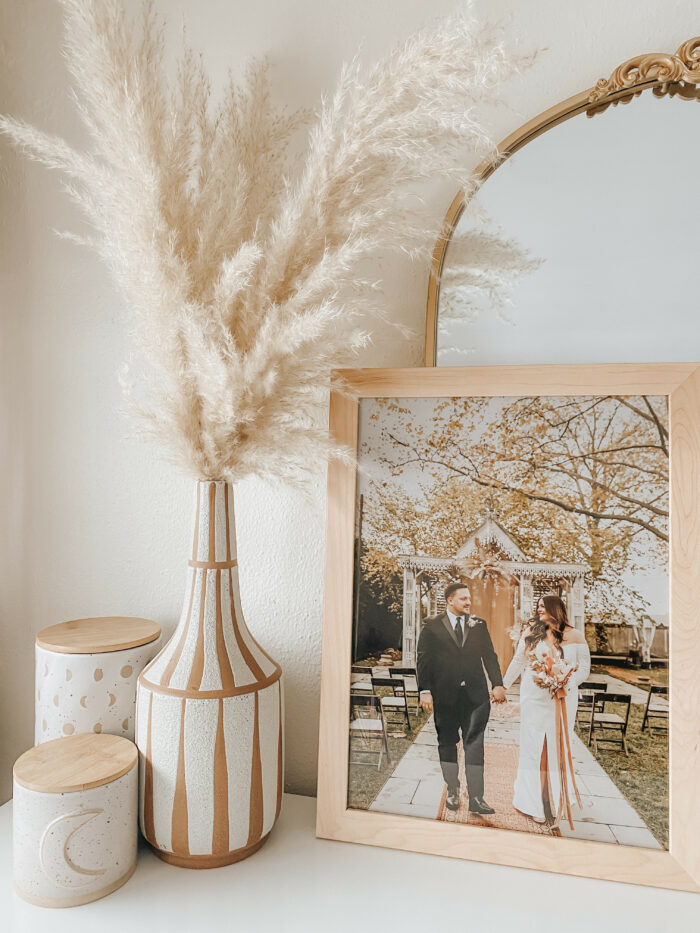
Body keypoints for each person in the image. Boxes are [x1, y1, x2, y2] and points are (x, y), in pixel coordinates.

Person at [417, 582, 506, 815]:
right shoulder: (431, 626)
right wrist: (424, 690)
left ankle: (477, 797)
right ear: (450, 600)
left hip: (475, 698)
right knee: (447, 743)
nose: (469, 602)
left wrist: (497, 683)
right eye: (463, 598)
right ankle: (453, 790)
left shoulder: (479, 625)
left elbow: (490, 656)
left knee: (475, 746)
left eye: (469, 598)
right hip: (445, 697)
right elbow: (423, 660)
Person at [503, 595, 590, 824]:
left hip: (561, 700)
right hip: (533, 698)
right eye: (538, 605)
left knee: (554, 747)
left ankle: (553, 800)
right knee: (534, 747)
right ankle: (533, 802)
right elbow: (518, 662)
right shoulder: (532, 632)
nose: (539, 609)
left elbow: (584, 669)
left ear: (556, 609)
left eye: (543, 606)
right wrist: (503, 685)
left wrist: (563, 682)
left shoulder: (575, 635)